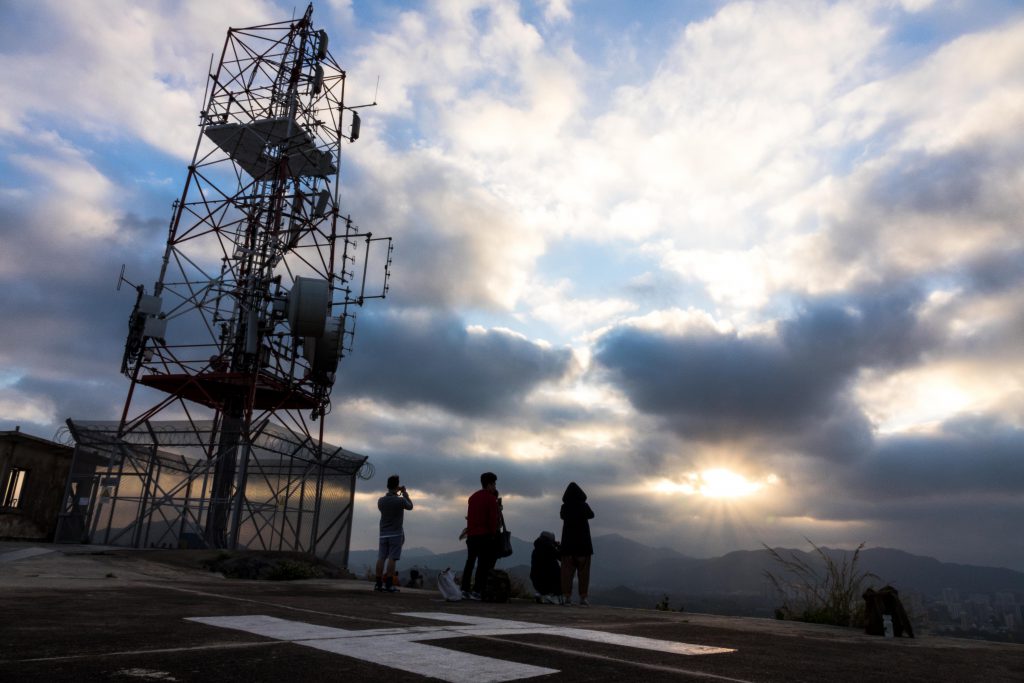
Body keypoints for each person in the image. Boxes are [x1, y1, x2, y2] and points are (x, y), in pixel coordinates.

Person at [460, 471, 500, 600]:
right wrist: (494, 534)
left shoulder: (472, 497)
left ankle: (464, 589)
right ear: (489, 484)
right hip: (485, 535)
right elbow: (492, 520)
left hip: (472, 535)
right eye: (494, 484)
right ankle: (477, 590)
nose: (495, 487)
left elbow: (470, 517)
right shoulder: (491, 499)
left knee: (470, 562)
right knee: (482, 564)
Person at [375, 474, 413, 592]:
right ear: (397, 486)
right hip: (396, 534)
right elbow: (410, 506)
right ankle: (389, 584)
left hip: (383, 533)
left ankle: (378, 583)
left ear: (387, 486)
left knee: (381, 557)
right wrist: (404, 493)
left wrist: (396, 491)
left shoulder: (381, 501)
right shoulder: (400, 501)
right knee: (392, 558)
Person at [560, 481, 594, 606]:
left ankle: (566, 597)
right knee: (583, 573)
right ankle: (583, 597)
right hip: (583, 545)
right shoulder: (584, 506)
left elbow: (562, 516)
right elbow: (592, 515)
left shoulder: (564, 507)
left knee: (567, 573)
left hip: (568, 546)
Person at [530, 530, 561, 604]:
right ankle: (551, 595)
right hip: (549, 580)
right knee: (561, 573)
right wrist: (558, 547)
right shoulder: (550, 549)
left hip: (536, 580)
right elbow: (561, 557)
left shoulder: (536, 549)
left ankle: (541, 593)